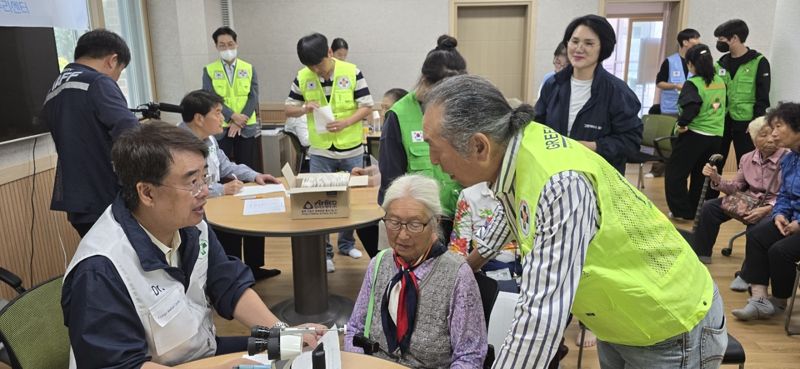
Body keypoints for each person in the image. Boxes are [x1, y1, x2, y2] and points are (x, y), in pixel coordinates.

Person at [422, 74, 727, 369]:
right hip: (620, 318)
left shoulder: (560, 184)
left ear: (479, 146)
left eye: (435, 146)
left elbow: (539, 322)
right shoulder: (515, 149)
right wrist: (466, 266)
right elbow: (513, 212)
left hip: (669, 325)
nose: (433, 160)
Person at [61, 122, 324, 368]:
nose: (204, 191)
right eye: (192, 182)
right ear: (147, 193)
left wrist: (286, 334)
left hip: (201, 351)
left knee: (295, 351)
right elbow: (121, 365)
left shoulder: (190, 224)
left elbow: (228, 284)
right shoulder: (101, 270)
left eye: (205, 178)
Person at [344, 174, 487, 368]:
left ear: (435, 221)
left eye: (415, 224)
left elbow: (470, 356)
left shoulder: (457, 276)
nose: (402, 235)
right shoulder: (379, 264)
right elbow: (355, 329)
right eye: (394, 222)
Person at [284, 32, 374, 272]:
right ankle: (325, 253)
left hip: (351, 147)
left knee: (350, 200)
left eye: (320, 65)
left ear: (330, 53)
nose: (317, 71)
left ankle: (346, 244)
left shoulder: (352, 72)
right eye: (311, 67)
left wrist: (346, 122)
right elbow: (288, 109)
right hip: (321, 150)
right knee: (318, 201)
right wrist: (304, 108)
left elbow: (367, 106)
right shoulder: (303, 76)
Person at [41, 28, 139, 237]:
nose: (115, 78)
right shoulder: (97, 82)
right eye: (119, 71)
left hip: (76, 199)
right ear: (112, 60)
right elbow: (131, 133)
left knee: (98, 257)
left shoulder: (54, 89)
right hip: (107, 195)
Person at [179, 90, 281, 280]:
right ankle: (231, 277)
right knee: (231, 228)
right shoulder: (180, 145)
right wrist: (222, 189)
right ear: (199, 119)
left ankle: (252, 268)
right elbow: (187, 188)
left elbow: (226, 166)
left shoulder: (209, 139)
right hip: (193, 208)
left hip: (214, 198)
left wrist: (255, 175)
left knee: (253, 215)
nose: (222, 118)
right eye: (217, 113)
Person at [380, 35, 466, 241]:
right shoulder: (398, 116)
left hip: (463, 219)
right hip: (419, 225)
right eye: (443, 93)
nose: (449, 100)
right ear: (426, 82)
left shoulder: (460, 109)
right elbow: (390, 184)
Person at [535, 15, 642, 175]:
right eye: (575, 41)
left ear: (603, 48)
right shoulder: (553, 84)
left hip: (598, 179)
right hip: (555, 176)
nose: (579, 48)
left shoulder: (617, 92)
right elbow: (538, 126)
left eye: (589, 43)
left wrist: (593, 146)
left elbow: (631, 142)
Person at [732, 102, 800, 321]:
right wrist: (780, 214)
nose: (774, 133)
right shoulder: (789, 159)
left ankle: (779, 300)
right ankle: (759, 299)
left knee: (780, 251)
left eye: (779, 126)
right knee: (757, 234)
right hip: (790, 219)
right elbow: (786, 196)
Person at [693, 117, 786, 263]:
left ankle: (750, 272)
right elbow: (736, 188)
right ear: (753, 138)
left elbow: (790, 194)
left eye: (773, 134)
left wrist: (768, 208)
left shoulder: (788, 158)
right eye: (763, 135)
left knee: (757, 227)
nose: (770, 140)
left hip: (777, 206)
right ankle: (700, 255)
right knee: (709, 207)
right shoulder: (747, 158)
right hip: (749, 202)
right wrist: (716, 178)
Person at [664, 44, 726, 221]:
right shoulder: (720, 82)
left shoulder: (693, 84)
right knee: (702, 174)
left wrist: (682, 124)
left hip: (694, 135)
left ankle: (682, 212)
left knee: (676, 173)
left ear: (691, 64)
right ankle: (697, 211)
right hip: (715, 136)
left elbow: (691, 107)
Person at [714, 19, 771, 169]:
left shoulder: (758, 62)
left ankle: (745, 193)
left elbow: (763, 96)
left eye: (721, 39)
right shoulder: (720, 64)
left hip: (746, 124)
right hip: (722, 122)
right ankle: (712, 193)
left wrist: (755, 124)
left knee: (747, 165)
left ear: (734, 38)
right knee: (715, 163)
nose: (719, 43)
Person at [202, 26, 261, 171]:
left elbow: (253, 96)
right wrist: (233, 116)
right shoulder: (209, 70)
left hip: (246, 126)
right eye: (222, 45)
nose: (227, 48)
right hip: (220, 127)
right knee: (222, 170)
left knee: (247, 168)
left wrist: (241, 120)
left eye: (230, 44)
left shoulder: (248, 68)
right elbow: (210, 98)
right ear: (216, 46)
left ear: (236, 44)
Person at [656, 28, 701, 115]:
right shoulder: (670, 61)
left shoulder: (698, 61)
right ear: (685, 42)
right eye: (695, 38)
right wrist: (675, 86)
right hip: (671, 109)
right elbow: (659, 83)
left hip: (691, 108)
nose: (698, 41)